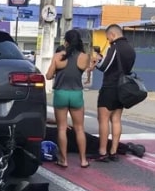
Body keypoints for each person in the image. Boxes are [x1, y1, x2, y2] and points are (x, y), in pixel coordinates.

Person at [46, 29, 91, 168]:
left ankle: (63, 160)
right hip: (76, 94)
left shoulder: (58, 56)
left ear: (66, 41)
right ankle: (83, 160)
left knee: (61, 128)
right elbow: (84, 70)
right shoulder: (84, 57)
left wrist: (57, 72)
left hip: (61, 93)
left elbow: (48, 76)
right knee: (79, 128)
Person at [95, 24, 136, 162]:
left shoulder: (115, 47)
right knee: (116, 120)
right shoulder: (131, 48)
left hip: (110, 86)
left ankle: (102, 151)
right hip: (123, 89)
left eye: (108, 38)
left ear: (112, 34)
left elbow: (105, 66)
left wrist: (97, 62)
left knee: (103, 119)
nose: (108, 40)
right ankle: (113, 151)